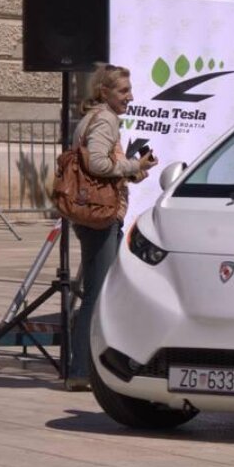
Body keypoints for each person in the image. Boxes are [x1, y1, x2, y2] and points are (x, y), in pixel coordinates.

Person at [67, 64, 157, 391]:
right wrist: (133, 164)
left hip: (97, 213)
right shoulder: (105, 119)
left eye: (129, 90)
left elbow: (101, 165)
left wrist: (135, 170)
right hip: (100, 216)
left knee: (101, 289)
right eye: (123, 91)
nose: (130, 97)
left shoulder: (94, 117)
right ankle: (80, 370)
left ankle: (88, 365)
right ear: (104, 92)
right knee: (98, 293)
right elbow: (97, 163)